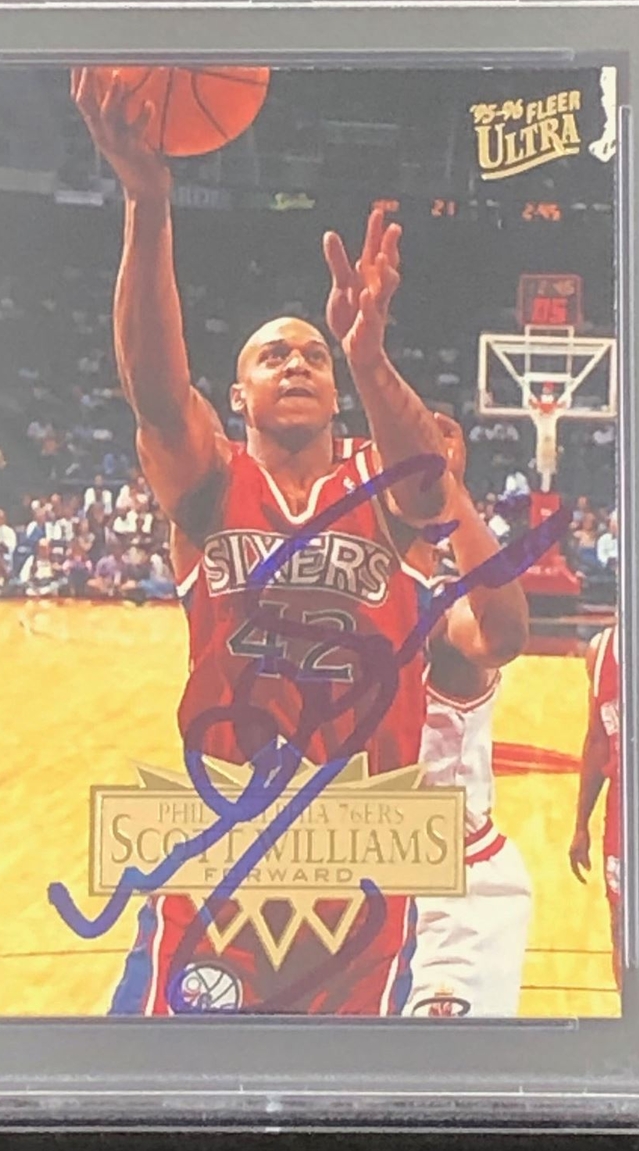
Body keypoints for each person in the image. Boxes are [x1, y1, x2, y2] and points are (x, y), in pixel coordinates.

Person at [73, 67, 450, 1018]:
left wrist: (369, 354)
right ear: (235, 395)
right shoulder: (211, 485)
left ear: (339, 389)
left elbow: (431, 487)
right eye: (272, 355)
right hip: (226, 839)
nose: (297, 363)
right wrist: (147, 203)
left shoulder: (381, 482)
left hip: (362, 849)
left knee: (348, 1096)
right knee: (185, 1090)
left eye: (314, 354)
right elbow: (156, 394)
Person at [403, 415, 534, 1019]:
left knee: (436, 1073)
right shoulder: (328, 605)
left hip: (449, 886)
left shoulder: (438, 612)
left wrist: (451, 493)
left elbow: (500, 635)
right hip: (351, 871)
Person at [570, 623, 623, 989]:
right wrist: (581, 825)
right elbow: (597, 743)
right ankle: (631, 1009)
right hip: (622, 813)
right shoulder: (601, 650)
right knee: (622, 927)